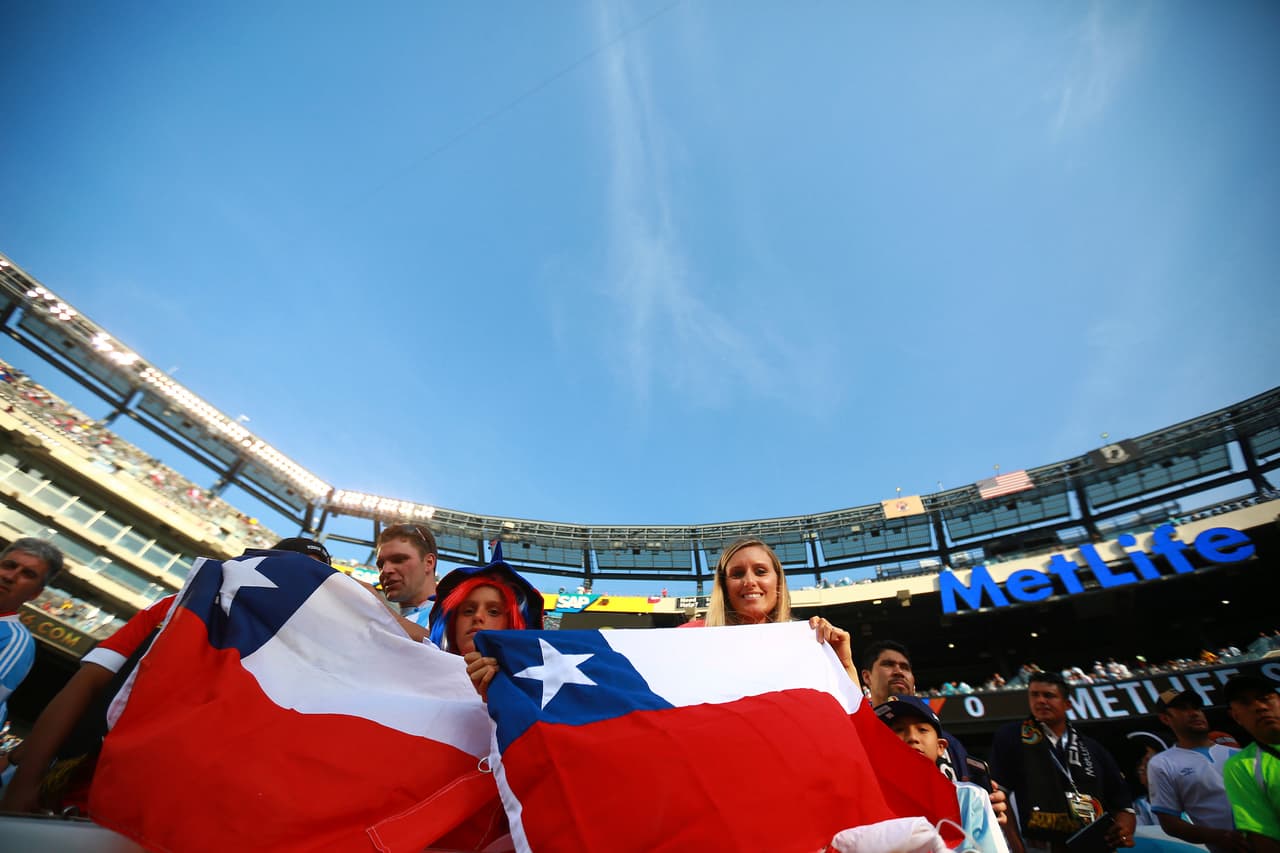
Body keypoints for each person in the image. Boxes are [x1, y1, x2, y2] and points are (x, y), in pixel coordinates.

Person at [0, 538, 340, 813]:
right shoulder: (176, 605)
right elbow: (88, 682)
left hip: (180, 815)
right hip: (88, 791)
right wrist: (26, 780)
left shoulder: (307, 654)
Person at [989, 670, 1136, 853]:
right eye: (1034, 695)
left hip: (1094, 845)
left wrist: (1124, 828)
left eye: (1049, 695)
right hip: (1040, 847)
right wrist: (1017, 847)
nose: (1040, 700)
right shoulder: (1011, 737)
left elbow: (1123, 803)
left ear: (1067, 704)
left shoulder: (1092, 747)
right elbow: (1000, 797)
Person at [701, 537, 859, 687]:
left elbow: (853, 714)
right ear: (724, 586)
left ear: (778, 582)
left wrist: (844, 666)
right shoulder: (696, 641)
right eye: (737, 574)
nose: (749, 581)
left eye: (761, 571)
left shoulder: (812, 643)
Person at [876, 694, 1020, 853]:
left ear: (941, 747)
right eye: (899, 730)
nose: (912, 737)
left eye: (922, 729)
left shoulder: (969, 797)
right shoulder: (874, 801)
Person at [427, 545, 544, 701]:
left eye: (494, 612)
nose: (478, 617)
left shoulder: (538, 694)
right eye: (468, 610)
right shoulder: (421, 676)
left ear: (512, 624)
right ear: (453, 624)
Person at [860, 639, 981, 786]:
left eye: (905, 667)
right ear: (867, 677)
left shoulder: (947, 742)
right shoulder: (855, 735)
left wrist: (989, 800)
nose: (898, 672)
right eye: (888, 664)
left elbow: (970, 792)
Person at [1146, 688, 1245, 853]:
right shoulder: (1162, 763)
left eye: (1196, 707)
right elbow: (1170, 823)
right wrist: (1219, 837)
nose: (1194, 713)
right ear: (1165, 718)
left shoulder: (1239, 755)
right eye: (1183, 708)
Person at [0, 538, 64, 731]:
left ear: (35, 594)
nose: (10, 576)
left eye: (27, 574)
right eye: (9, 565)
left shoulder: (14, 641)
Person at [1221, 675, 1280, 852]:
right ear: (1235, 716)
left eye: (1264, 699)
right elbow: (1264, 840)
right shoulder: (1240, 767)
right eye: (1245, 703)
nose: (1259, 707)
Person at [375, 523, 439, 629]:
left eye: (398, 560)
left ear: (429, 562)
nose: (385, 571)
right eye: (380, 565)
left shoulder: (453, 615)